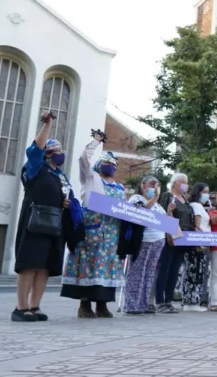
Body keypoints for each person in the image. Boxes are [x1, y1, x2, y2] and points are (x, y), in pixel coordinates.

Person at [13, 112, 82, 322]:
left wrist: (68, 203)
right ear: (47, 153)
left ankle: (35, 306)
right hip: (35, 223)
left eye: (62, 150)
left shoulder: (61, 175)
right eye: (56, 150)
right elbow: (36, 148)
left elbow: (65, 194)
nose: (60, 154)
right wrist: (47, 126)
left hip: (55, 224)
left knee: (44, 266)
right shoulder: (35, 167)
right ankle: (21, 307)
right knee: (29, 265)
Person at [61, 132, 124, 318]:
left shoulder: (120, 187)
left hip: (111, 234)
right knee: (89, 265)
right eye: (106, 163)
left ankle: (103, 305)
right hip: (93, 230)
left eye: (113, 165)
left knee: (107, 267)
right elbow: (83, 158)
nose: (110, 167)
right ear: (99, 165)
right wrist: (95, 142)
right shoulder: (91, 177)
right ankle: (85, 304)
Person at [123, 176, 166, 315]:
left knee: (149, 273)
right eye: (151, 184)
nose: (154, 187)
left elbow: (164, 220)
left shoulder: (158, 205)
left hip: (158, 240)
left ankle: (143, 303)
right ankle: (131, 304)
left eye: (157, 185)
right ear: (143, 185)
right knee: (137, 272)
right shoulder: (137, 198)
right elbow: (141, 213)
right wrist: (155, 198)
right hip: (143, 240)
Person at [155, 173, 193, 314]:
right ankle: (160, 301)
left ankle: (168, 301)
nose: (186, 185)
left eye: (187, 182)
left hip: (183, 239)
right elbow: (162, 215)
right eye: (183, 182)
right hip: (169, 238)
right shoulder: (167, 196)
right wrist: (168, 234)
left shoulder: (185, 199)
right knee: (164, 269)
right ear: (175, 183)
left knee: (174, 270)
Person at [180, 182, 211, 312]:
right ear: (198, 192)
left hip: (199, 242)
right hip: (198, 243)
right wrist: (202, 240)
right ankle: (192, 302)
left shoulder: (197, 205)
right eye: (205, 191)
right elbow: (198, 225)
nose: (207, 194)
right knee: (196, 272)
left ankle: (190, 301)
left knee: (192, 271)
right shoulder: (197, 206)